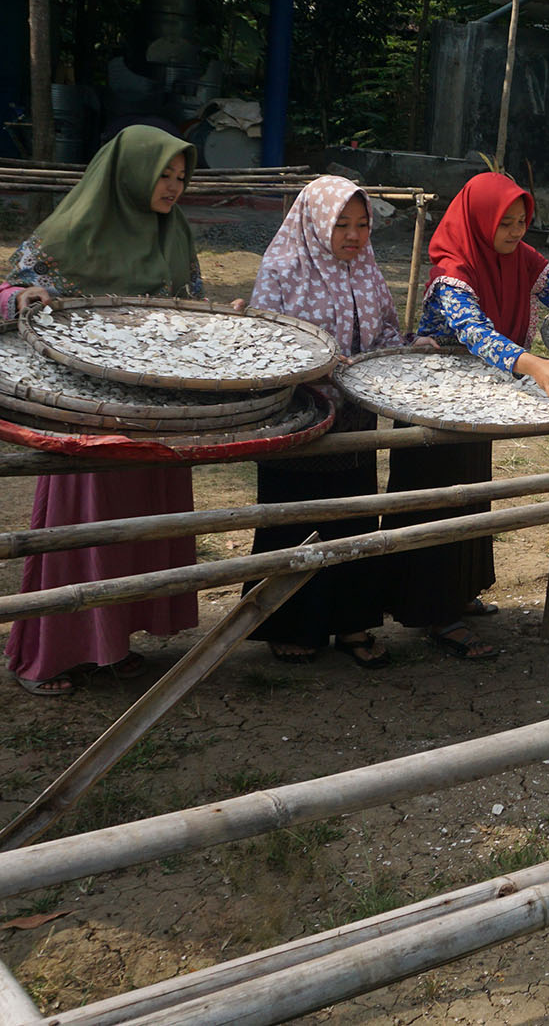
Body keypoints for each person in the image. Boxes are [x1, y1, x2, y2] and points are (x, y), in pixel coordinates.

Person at [397, 172, 549, 658]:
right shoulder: (452, 270)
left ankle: (460, 593)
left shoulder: (521, 259)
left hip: (478, 402)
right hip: (433, 407)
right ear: (479, 220)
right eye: (506, 223)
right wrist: (528, 362)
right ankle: (435, 612)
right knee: (438, 499)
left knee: (471, 494)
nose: (516, 232)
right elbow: (472, 330)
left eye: (522, 222)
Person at [4, 127, 204, 696]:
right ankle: (49, 656)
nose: (173, 187)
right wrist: (19, 299)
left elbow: (187, 309)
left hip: (155, 407)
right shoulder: (66, 236)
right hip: (87, 408)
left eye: (181, 177)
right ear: (128, 174)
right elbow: (7, 292)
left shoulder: (174, 233)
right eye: (163, 174)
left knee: (138, 524)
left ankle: (112, 643)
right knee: (83, 526)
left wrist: (217, 317)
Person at [241, 176, 403, 667]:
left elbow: (388, 329)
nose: (354, 236)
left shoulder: (368, 269)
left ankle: (353, 622)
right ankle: (291, 624)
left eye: (361, 225)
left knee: (353, 516)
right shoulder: (283, 268)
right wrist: (323, 367)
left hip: (356, 420)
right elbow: (266, 343)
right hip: (300, 418)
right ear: (315, 223)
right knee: (293, 518)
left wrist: (401, 350)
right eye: (341, 225)